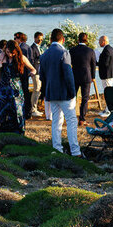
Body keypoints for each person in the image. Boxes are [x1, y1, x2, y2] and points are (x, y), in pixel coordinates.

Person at [39, 28, 82, 156]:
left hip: (51, 93)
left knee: (56, 121)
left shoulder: (44, 55)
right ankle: (75, 151)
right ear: (62, 39)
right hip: (65, 93)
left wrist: (46, 92)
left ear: (51, 39)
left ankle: (57, 149)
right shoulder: (64, 52)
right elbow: (68, 75)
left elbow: (42, 76)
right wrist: (73, 92)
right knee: (71, 121)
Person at [0, 42, 35, 134]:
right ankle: (0, 133)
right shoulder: (2, 55)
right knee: (0, 111)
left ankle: (18, 133)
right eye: (8, 52)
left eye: (12, 53)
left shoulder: (21, 58)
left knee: (17, 112)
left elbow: (33, 69)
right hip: (3, 90)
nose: (10, 54)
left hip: (16, 90)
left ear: (16, 51)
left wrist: (32, 74)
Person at [69, 32, 98, 123]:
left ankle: (71, 116)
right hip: (86, 76)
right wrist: (93, 77)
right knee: (85, 98)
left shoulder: (72, 50)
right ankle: (82, 118)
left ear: (78, 40)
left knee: (72, 96)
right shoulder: (90, 50)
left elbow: (68, 63)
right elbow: (93, 64)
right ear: (87, 40)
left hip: (75, 76)